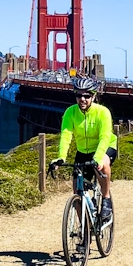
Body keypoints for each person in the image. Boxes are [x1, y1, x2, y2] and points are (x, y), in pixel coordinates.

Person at [49, 77, 116, 221]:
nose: (82, 99)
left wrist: (97, 158)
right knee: (77, 192)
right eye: (79, 95)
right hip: (82, 151)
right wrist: (61, 157)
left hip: (105, 147)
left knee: (103, 164)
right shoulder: (70, 112)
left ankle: (106, 198)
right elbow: (66, 136)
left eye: (87, 96)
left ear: (93, 96)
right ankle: (84, 233)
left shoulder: (103, 112)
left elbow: (104, 137)